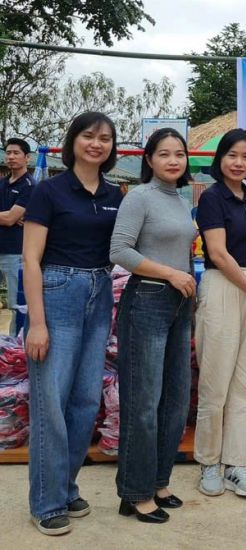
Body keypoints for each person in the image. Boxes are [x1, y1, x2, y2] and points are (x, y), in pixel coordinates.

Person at [22, 113, 123, 535]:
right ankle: (45, 502)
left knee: (84, 400)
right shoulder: (49, 190)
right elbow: (30, 258)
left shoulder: (117, 194)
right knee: (51, 402)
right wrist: (38, 323)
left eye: (104, 138)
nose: (96, 144)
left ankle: (66, 488)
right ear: (73, 141)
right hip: (58, 291)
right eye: (88, 136)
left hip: (100, 293)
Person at [110, 128, 197, 524]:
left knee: (175, 400)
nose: (173, 160)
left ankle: (159, 481)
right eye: (164, 154)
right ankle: (135, 493)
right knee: (143, 402)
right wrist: (171, 274)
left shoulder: (181, 200)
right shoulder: (140, 197)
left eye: (179, 154)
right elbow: (120, 251)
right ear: (149, 160)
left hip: (180, 303)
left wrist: (183, 281)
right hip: (146, 299)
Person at [193, 129, 246, 498]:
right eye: (232, 155)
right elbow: (219, 254)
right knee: (215, 382)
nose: (239, 163)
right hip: (224, 285)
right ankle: (208, 463)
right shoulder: (211, 198)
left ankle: (236, 464)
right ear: (220, 158)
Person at [0, 138, 35, 336]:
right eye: (8, 153)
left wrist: (11, 217)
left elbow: (10, 218)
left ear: (27, 158)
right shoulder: (3, 183)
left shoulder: (30, 185)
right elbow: (8, 217)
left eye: (16, 153)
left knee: (15, 304)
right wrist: (9, 216)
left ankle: (14, 346)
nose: (11, 157)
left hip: (15, 253)